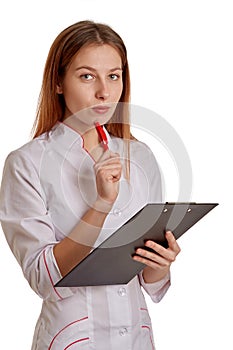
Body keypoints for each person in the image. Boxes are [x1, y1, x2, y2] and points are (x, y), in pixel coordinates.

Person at [0, 20, 180, 349]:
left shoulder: (140, 158)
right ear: (58, 81)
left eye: (114, 76)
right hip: (73, 339)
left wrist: (160, 263)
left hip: (137, 338)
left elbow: (149, 283)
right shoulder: (26, 164)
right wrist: (100, 205)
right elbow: (43, 278)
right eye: (87, 76)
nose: (104, 91)